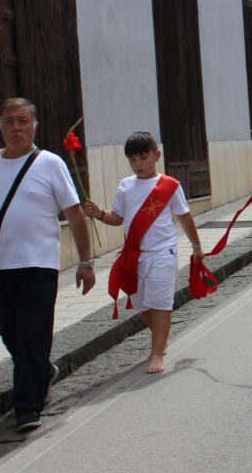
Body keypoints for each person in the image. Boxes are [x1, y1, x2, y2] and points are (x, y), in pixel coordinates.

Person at [0, 98, 95, 432]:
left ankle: (27, 407)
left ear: (34, 125)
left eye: (22, 121)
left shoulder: (50, 163)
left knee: (33, 333)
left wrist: (86, 261)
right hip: (0, 268)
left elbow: (74, 214)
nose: (16, 128)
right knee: (8, 331)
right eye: (9, 121)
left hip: (39, 265)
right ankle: (41, 373)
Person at [83, 132, 203, 373]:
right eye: (132, 160)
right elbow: (117, 218)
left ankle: (156, 352)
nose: (138, 164)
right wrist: (98, 213)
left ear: (156, 155)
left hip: (163, 252)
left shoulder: (170, 186)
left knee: (160, 303)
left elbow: (184, 217)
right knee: (144, 306)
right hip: (135, 255)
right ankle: (161, 336)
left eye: (143, 157)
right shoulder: (125, 186)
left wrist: (197, 246)